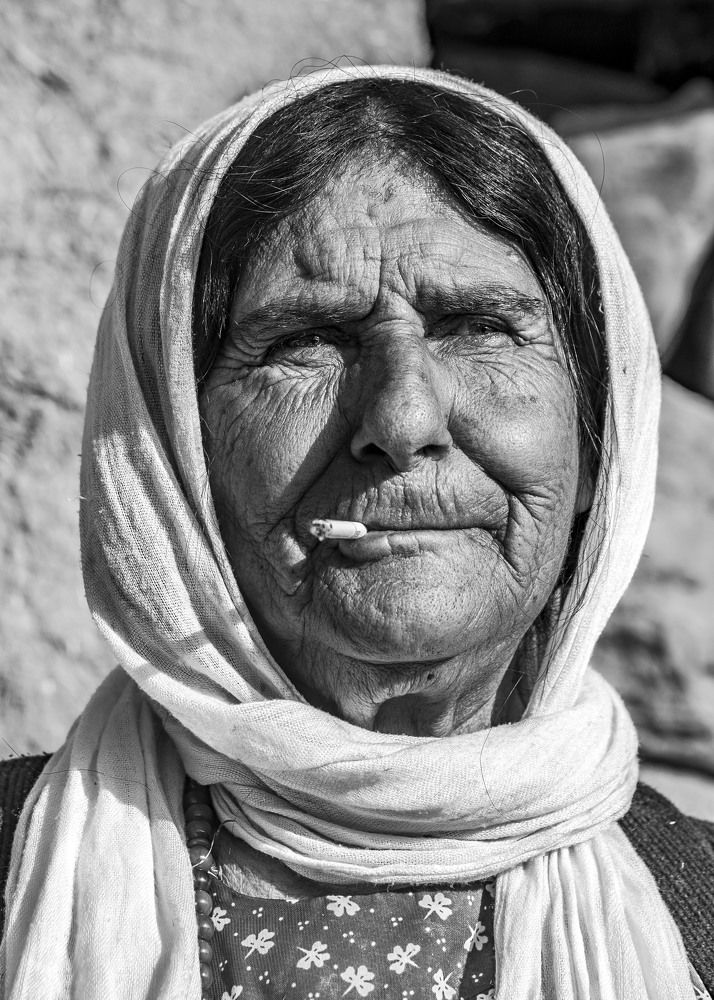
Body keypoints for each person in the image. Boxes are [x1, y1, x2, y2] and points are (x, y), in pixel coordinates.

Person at [0, 65, 712, 1000]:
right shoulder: (21, 868)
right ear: (175, 451)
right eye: (308, 341)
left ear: (597, 435)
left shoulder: (691, 903)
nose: (403, 416)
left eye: (478, 328)